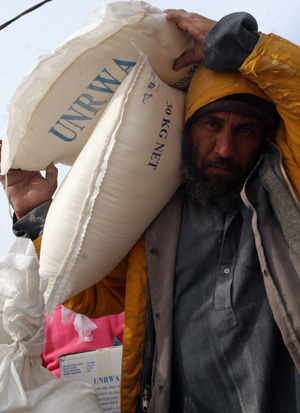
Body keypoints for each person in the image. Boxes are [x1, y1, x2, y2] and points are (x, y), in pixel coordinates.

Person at [1, 8, 300, 412]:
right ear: (186, 127)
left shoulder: (286, 185)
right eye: (211, 124)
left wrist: (243, 46)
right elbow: (93, 292)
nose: (226, 148)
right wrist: (37, 211)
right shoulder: (153, 215)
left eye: (245, 130)